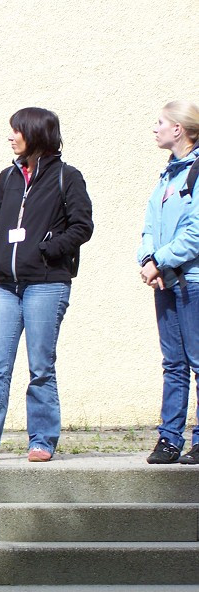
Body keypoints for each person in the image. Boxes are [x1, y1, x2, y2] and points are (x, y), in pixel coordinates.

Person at [0, 107, 94, 462]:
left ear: (34, 134)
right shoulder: (7, 177)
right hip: (5, 285)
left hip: (46, 283)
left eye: (16, 131)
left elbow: (81, 226)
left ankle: (41, 439)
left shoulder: (66, 177)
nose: (10, 137)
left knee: (40, 366)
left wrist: (47, 250)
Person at [137, 100, 199, 465]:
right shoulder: (168, 174)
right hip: (166, 281)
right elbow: (150, 225)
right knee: (173, 364)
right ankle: (169, 440)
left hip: (192, 281)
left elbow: (195, 232)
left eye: (160, 122)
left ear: (179, 129)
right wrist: (148, 259)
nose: (155, 128)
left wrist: (159, 260)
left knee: (197, 362)